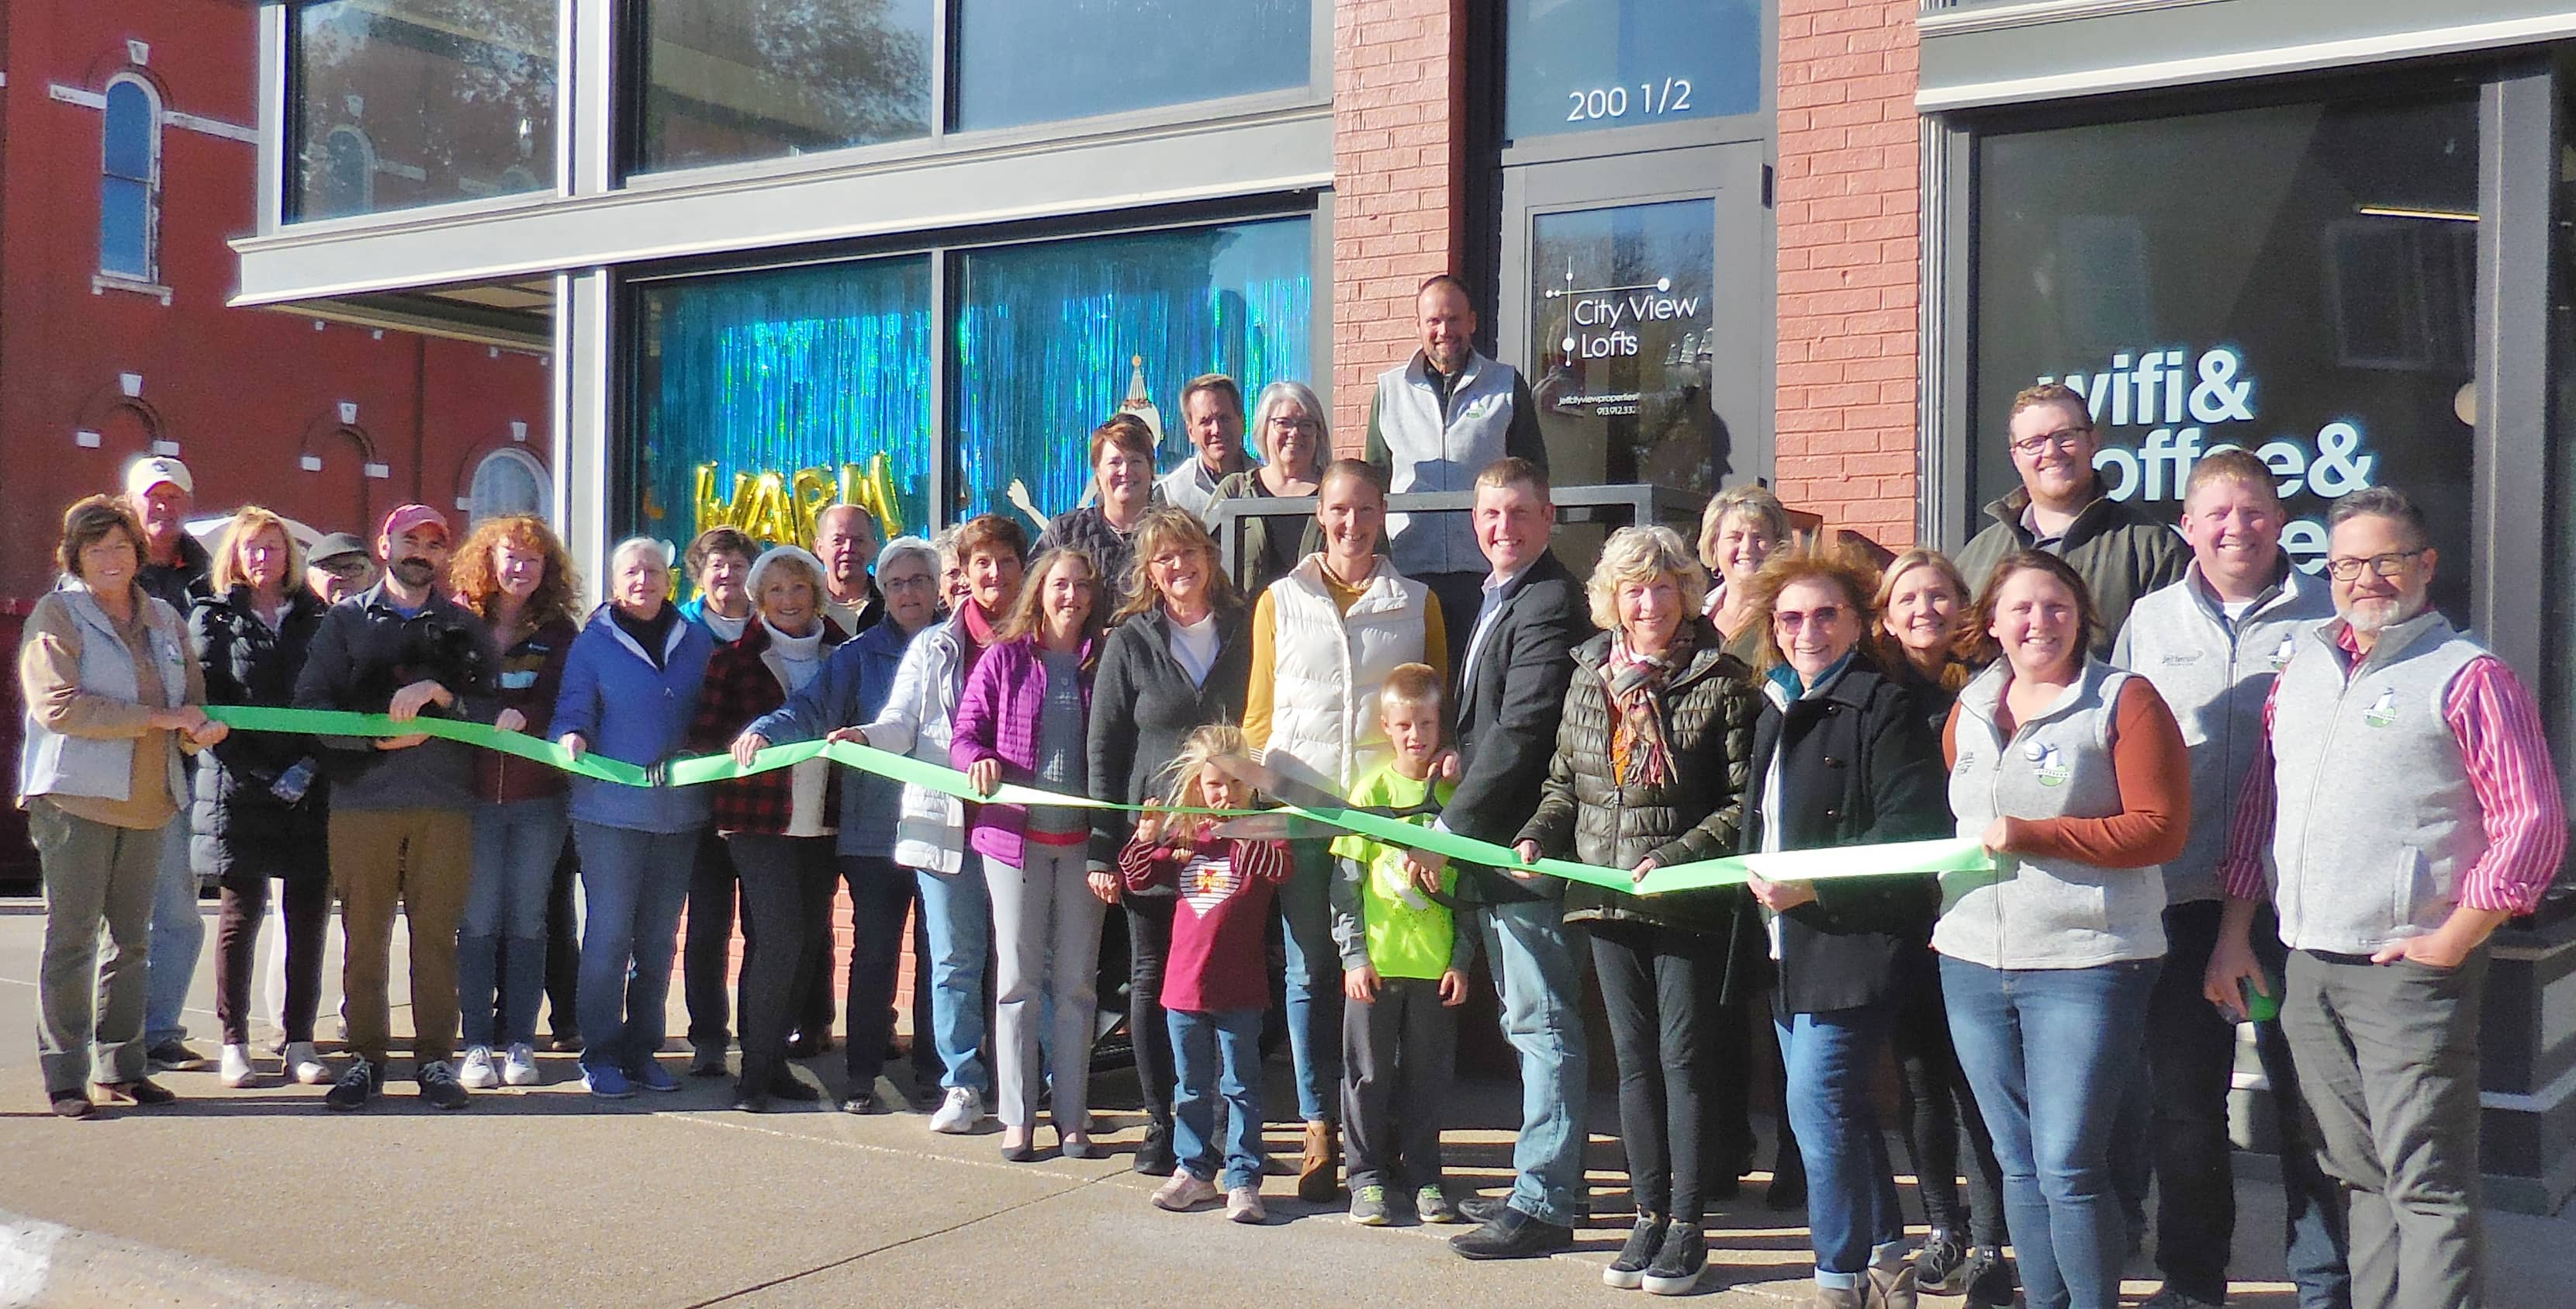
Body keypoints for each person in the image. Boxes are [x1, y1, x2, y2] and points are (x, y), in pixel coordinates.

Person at [2207, 487, 2564, 1309]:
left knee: (2427, 1186)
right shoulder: (2300, 667)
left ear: (2425, 564)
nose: (2366, 578)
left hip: (2407, 971)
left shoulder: (2469, 675)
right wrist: (2237, 931)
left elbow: (2533, 822)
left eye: (2385, 559)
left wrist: (2455, 935)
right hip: (2307, 964)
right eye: (2346, 564)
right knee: (2358, 1177)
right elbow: (2262, 808)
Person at [2113, 450, 2350, 1309]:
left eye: (2252, 510)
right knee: (2184, 1108)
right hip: (2177, 900)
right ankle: (2193, 1279)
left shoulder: (2330, 615)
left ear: (2282, 520)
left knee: (2309, 1107)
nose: (2236, 527)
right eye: (2217, 513)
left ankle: (2324, 1282)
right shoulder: (2149, 620)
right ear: (2188, 527)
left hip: (2296, 903)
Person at [1513, 525, 1758, 1297]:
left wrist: (1677, 858)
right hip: (1603, 895)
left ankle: (1688, 1224)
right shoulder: (1589, 674)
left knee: (1685, 1061)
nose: (1646, 602)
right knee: (1633, 1061)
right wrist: (1534, 835)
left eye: (1660, 586)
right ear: (1612, 599)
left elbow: (1741, 802)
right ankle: (1647, 1213)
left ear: (1686, 591)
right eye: (1632, 588)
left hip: (1682, 899)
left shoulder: (1722, 677)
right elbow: (1564, 784)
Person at [1939, 550, 2189, 1309]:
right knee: (2016, 1161)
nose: (2039, 621)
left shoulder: (2124, 698)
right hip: (1972, 958)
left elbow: (2160, 829)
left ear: (2081, 616)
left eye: (2056, 606)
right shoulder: (1971, 707)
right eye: (2021, 609)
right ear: (1991, 624)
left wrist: (2037, 834)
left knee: (2068, 1162)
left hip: (2090, 958)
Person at [1736, 549, 1952, 1308]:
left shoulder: (1882, 705)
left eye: (1826, 613)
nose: (1808, 630)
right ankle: (1890, 1262)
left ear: (1859, 621)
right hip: (1786, 946)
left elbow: (1911, 829)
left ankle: (1840, 1280)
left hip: (1856, 941)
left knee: (1817, 1107)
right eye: (1791, 617)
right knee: (1843, 1112)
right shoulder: (1775, 703)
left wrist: (1816, 881)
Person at [1399, 458, 1594, 1262]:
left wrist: (1446, 830)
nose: (1502, 528)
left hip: (1525, 848)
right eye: (1490, 515)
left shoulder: (1548, 600)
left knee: (1540, 1021)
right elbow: (1488, 728)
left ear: (1548, 518)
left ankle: (1545, 1199)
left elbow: (1522, 730)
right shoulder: (1500, 596)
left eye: (1518, 513)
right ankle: (1555, 1176)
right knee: (1530, 1016)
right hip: (1496, 836)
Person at [1243, 458, 1448, 1202]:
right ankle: (1318, 1123)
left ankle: (1381, 1127)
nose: (1350, 523)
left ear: (1383, 511)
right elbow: (1260, 716)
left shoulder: (1415, 601)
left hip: (1382, 820)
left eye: (1364, 509)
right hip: (1302, 812)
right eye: (1337, 509)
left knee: (1385, 974)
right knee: (1310, 972)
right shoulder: (1279, 599)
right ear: (1319, 514)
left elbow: (1434, 707)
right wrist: (1257, 808)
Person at [293, 504, 508, 1112]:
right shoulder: (345, 623)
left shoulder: (466, 627)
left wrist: (444, 693)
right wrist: (375, 739)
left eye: (434, 542)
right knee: (365, 937)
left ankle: (436, 1060)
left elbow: (496, 716)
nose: (421, 551)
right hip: (363, 801)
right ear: (384, 546)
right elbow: (310, 708)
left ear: (445, 555)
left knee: (437, 937)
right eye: (409, 539)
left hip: (444, 805)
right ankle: (364, 1057)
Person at [19, 496, 223, 1117]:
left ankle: (123, 1067)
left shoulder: (164, 615)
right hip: (76, 798)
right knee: (73, 939)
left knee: (133, 941)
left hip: (151, 798)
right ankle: (64, 1077)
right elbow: (59, 706)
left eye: (121, 546)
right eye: (95, 548)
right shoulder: (58, 612)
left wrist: (198, 729)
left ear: (139, 553)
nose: (110, 558)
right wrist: (161, 718)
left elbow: (192, 697)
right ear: (75, 557)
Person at [738, 535, 944, 1114]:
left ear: (936, 587)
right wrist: (766, 730)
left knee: (940, 953)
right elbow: (808, 709)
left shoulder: (959, 645)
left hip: (944, 829)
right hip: (873, 833)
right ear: (882, 591)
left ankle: (933, 1072)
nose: (908, 592)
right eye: (896, 582)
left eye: (918, 580)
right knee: (875, 952)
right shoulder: (854, 656)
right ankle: (861, 1076)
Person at [1086, 507, 1252, 1175]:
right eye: (1162, 560)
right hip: (1155, 845)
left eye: (1186, 553)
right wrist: (1104, 847)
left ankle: (1227, 1123)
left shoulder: (1245, 630)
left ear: (1208, 557)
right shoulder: (1130, 640)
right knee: (1152, 980)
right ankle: (1165, 1121)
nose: (1177, 568)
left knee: (1232, 979)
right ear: (1149, 573)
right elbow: (1104, 747)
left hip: (1229, 843)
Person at [1871, 547, 2014, 1307]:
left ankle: (1992, 1241)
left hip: (1976, 906)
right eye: (1907, 599)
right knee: (1922, 1077)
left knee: (1978, 1082)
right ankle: (1945, 1227)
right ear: (1887, 616)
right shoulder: (1875, 691)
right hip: (1903, 911)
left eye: (1938, 596)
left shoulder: (1993, 688)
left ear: (1963, 606)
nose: (1923, 610)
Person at [860, 513, 1029, 1134]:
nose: (993, 574)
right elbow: (900, 721)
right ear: (963, 574)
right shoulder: (934, 645)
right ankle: (962, 1082)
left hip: (1018, 828)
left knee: (1018, 963)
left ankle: (1021, 1080)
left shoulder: (1042, 636)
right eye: (980, 563)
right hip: (943, 825)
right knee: (955, 960)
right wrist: (863, 736)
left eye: (1004, 561)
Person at [953, 547, 1113, 1161]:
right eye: (1058, 585)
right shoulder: (1003, 659)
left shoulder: (1103, 661)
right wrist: (978, 761)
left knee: (1075, 986)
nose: (1070, 596)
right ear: (1040, 591)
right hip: (1011, 842)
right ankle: (1017, 1118)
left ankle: (1072, 1118)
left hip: (1082, 846)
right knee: (1017, 983)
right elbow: (964, 735)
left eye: (1080, 586)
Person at [552, 538, 715, 1099]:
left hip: (680, 814)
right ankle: (599, 1052)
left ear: (668, 580)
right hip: (609, 813)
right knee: (609, 934)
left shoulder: (696, 638)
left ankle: (643, 1048)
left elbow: (711, 713)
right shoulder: (592, 642)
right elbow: (573, 705)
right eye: (630, 571)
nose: (641, 579)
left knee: (657, 939)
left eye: (651, 570)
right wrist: (572, 736)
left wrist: (700, 747)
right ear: (614, 581)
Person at [691, 546, 848, 1111]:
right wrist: (746, 745)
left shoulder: (843, 653)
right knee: (777, 938)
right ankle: (753, 1074)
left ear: (816, 594)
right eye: (775, 590)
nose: (787, 600)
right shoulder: (732, 660)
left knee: (805, 941)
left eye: (798, 588)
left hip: (825, 819)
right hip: (756, 822)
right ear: (758, 599)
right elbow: (706, 737)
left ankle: (776, 1061)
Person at [1120, 725, 1295, 1224]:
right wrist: (1147, 836)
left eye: (1237, 783)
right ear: (1199, 785)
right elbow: (1137, 875)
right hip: (1183, 987)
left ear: (1252, 786)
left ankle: (1243, 1179)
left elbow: (1279, 871)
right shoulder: (1185, 837)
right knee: (1191, 1086)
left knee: (1241, 1085)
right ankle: (1194, 1170)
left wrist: (1238, 829)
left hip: (1240, 988)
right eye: (1215, 784)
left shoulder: (1267, 833)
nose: (1225, 793)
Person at [189, 507, 331, 1089]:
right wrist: (257, 772)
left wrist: (308, 765)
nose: (263, 558)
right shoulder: (212, 615)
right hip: (236, 785)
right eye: (252, 548)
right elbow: (208, 699)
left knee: (307, 916)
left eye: (273, 547)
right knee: (239, 917)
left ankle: (298, 1039)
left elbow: (334, 699)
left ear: (289, 556)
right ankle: (234, 1042)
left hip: (308, 785)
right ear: (235, 555)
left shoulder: (318, 617)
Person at [1329, 663, 1472, 1227]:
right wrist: (1353, 955)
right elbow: (1346, 881)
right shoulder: (1371, 791)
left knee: (1427, 1075)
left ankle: (1425, 1176)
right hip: (1376, 967)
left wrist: (1462, 960)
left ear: (1443, 726)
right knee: (1366, 1074)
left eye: (1428, 723)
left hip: (1433, 967)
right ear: (1386, 725)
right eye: (1405, 724)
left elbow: (1471, 889)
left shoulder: (1457, 797)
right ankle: (1365, 1177)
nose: (1416, 735)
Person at [445, 514, 582, 1093]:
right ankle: (477, 1043)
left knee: (528, 919)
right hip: (468, 795)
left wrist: (530, 718)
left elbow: (568, 699)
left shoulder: (560, 630)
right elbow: (444, 695)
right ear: (488, 560)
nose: (520, 567)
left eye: (533, 558)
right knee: (476, 920)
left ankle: (521, 1042)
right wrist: (484, 715)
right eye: (510, 556)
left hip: (537, 798)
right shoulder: (457, 621)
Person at [1365, 275, 1550, 667]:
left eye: (1453, 319)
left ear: (1472, 322)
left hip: (1489, 570)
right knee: (1419, 686)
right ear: (1418, 326)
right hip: (1410, 572)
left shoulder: (1505, 385)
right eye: (1433, 321)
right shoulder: (1390, 391)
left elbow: (1534, 475)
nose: (1443, 331)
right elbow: (1374, 481)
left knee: (1480, 683)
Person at [1953, 383, 2187, 653]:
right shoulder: (1977, 557)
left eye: (2065, 436)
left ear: (2093, 442)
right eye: (2033, 443)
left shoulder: (2153, 549)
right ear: (2016, 457)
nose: (2051, 452)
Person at [124, 456, 215, 1073]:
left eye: (174, 496)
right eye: (152, 497)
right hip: (104, 766)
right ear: (130, 503)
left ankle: (159, 1032)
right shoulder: (94, 574)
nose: (164, 507)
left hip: (179, 767)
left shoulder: (206, 579)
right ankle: (105, 1039)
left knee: (178, 912)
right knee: (110, 920)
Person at [678, 525, 757, 1070]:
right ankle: (708, 1035)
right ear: (699, 575)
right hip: (698, 805)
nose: (727, 575)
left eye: (736, 563)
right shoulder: (678, 632)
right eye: (716, 565)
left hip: (761, 805)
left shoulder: (772, 626)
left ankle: (763, 1037)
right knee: (706, 926)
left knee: (765, 926)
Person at [1207, 379, 1328, 594]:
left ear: (1319, 433)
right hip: (1246, 625)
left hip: (1322, 625)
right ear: (1264, 427)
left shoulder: (1336, 493)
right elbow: (1201, 558)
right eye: (1284, 423)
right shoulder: (1235, 491)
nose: (1295, 432)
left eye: (1306, 424)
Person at [1038, 414, 1158, 615]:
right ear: (1098, 472)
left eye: (1135, 461)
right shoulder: (1065, 532)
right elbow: (1031, 599)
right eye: (1115, 462)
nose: (1126, 470)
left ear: (1151, 468)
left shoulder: (1174, 535)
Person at [1699, 483, 1793, 663]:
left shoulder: (1792, 614)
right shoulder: (1694, 613)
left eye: (1759, 537)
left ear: (1778, 546)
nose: (1747, 548)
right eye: (1735, 537)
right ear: (1714, 546)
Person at [1157, 374, 1253, 521]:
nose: (1217, 429)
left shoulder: (1267, 484)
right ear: (1191, 432)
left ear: (1243, 422)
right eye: (1205, 421)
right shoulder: (1171, 496)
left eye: (1224, 418)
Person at [814, 503, 884, 636]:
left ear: (874, 547)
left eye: (858, 540)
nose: (848, 548)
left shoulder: (890, 607)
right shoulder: (803, 608)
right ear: (820, 548)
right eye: (838, 541)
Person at [305, 532, 379, 607]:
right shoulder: (297, 615)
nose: (343, 577)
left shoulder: (384, 615)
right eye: (331, 568)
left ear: (371, 576)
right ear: (310, 579)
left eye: (353, 569)